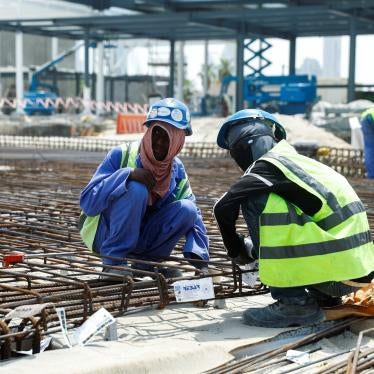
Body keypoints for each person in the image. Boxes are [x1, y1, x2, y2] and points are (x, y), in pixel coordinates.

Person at [214, 109, 374, 328]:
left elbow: (222, 207)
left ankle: (294, 302)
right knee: (285, 207)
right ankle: (324, 299)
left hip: (338, 277)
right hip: (358, 272)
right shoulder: (299, 164)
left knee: (254, 199)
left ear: (245, 146)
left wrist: (237, 251)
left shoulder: (269, 166)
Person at [79, 98, 209, 278]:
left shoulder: (176, 170)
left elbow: (194, 217)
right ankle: (113, 265)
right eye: (157, 134)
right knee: (136, 189)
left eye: (168, 138)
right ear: (148, 132)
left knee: (187, 209)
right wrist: (128, 174)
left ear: (178, 142)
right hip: (104, 234)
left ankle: (146, 266)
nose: (159, 143)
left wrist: (201, 262)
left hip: (141, 238)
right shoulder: (122, 155)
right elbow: (88, 202)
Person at [360, 108, 374, 178]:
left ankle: (371, 174)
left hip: (365, 117)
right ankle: (372, 175)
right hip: (370, 118)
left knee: (369, 146)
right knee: (371, 146)